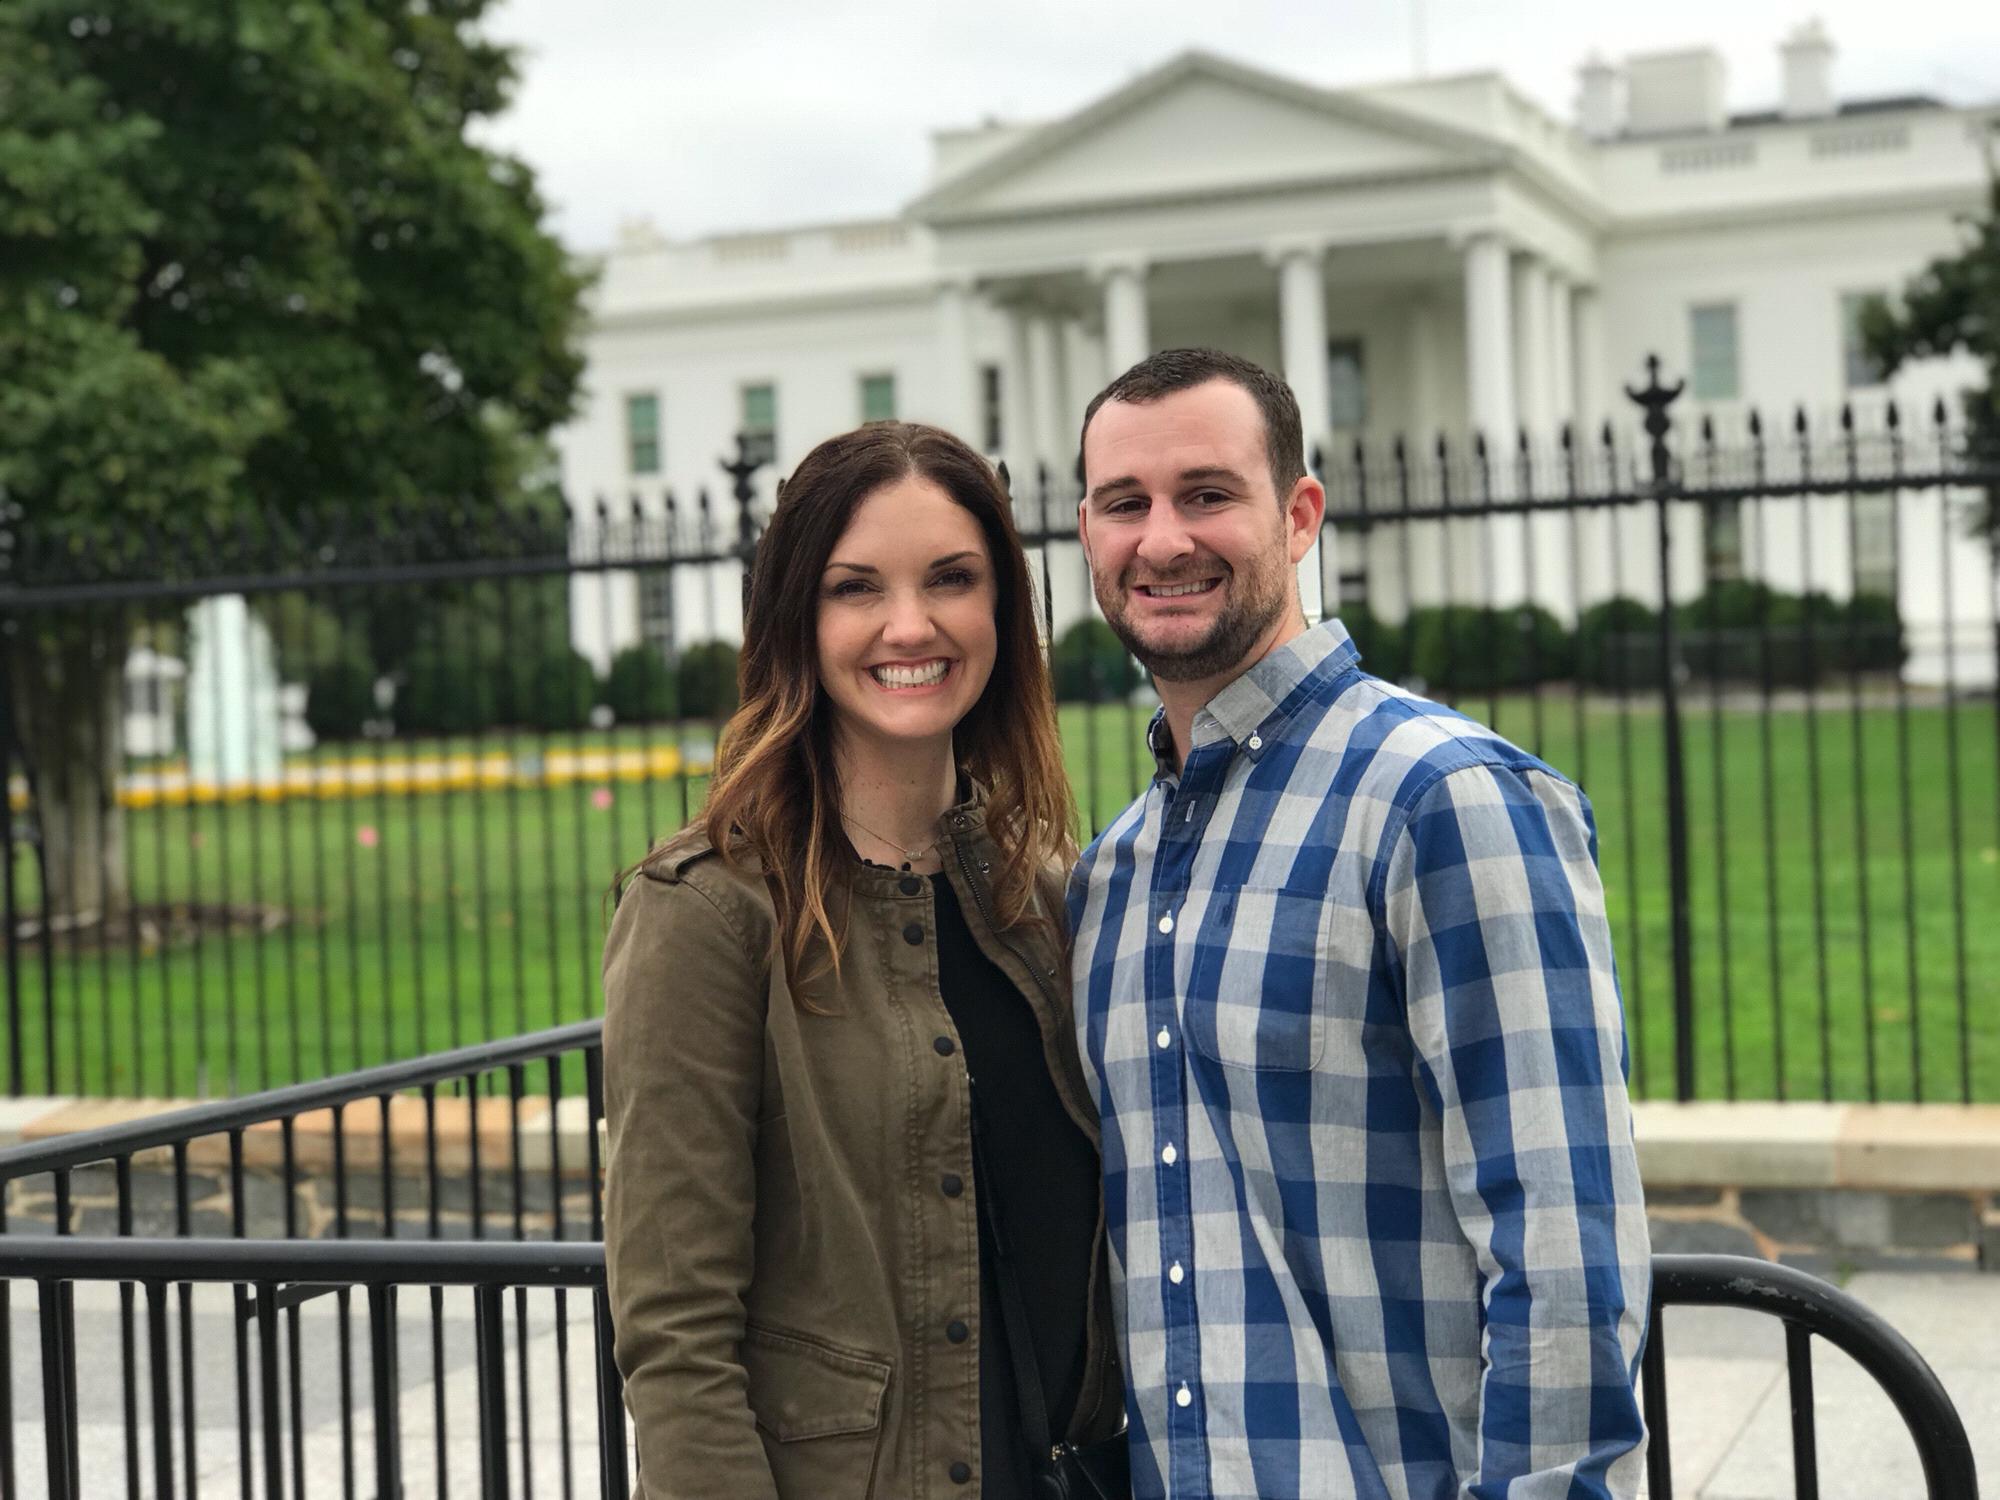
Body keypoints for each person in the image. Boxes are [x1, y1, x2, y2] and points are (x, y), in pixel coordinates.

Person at [1066, 348, 1650, 1499]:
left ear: (1298, 515)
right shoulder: (1110, 875)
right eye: (1123, 504)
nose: (1163, 538)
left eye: (1207, 494)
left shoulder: (1441, 800)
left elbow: (1565, 1245)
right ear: (1085, 533)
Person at [601, 420, 1126, 1499]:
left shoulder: (1042, 899)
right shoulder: (705, 915)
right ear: (796, 615)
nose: (908, 624)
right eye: (855, 588)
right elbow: (676, 1337)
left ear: (1001, 610)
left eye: (950, 578)